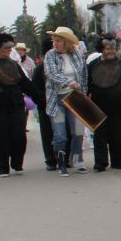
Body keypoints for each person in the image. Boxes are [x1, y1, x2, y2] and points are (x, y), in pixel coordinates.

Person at [0, 33, 43, 176]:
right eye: (5, 47)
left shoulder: (14, 64)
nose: (8, 50)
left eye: (10, 48)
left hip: (15, 105)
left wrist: (40, 98)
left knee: (18, 136)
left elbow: (26, 84)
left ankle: (17, 163)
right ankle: (2, 166)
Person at [44, 27, 89, 176]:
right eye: (54, 41)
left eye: (58, 41)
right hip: (57, 100)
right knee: (60, 134)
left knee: (78, 131)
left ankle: (78, 160)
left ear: (67, 42)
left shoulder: (77, 54)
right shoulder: (50, 55)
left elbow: (84, 75)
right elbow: (51, 73)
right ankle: (61, 163)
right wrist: (68, 81)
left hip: (75, 98)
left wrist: (84, 92)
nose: (55, 44)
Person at [88, 35, 121, 172]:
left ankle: (117, 161)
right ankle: (100, 162)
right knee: (99, 133)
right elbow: (87, 83)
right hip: (98, 103)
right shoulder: (93, 65)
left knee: (116, 133)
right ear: (102, 49)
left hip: (117, 104)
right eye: (107, 48)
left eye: (113, 48)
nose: (110, 51)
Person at [32, 38, 70, 171]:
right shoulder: (39, 70)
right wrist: (45, 102)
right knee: (48, 133)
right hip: (46, 107)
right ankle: (51, 159)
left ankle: (65, 158)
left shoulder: (66, 66)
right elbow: (35, 90)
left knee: (65, 132)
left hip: (64, 104)